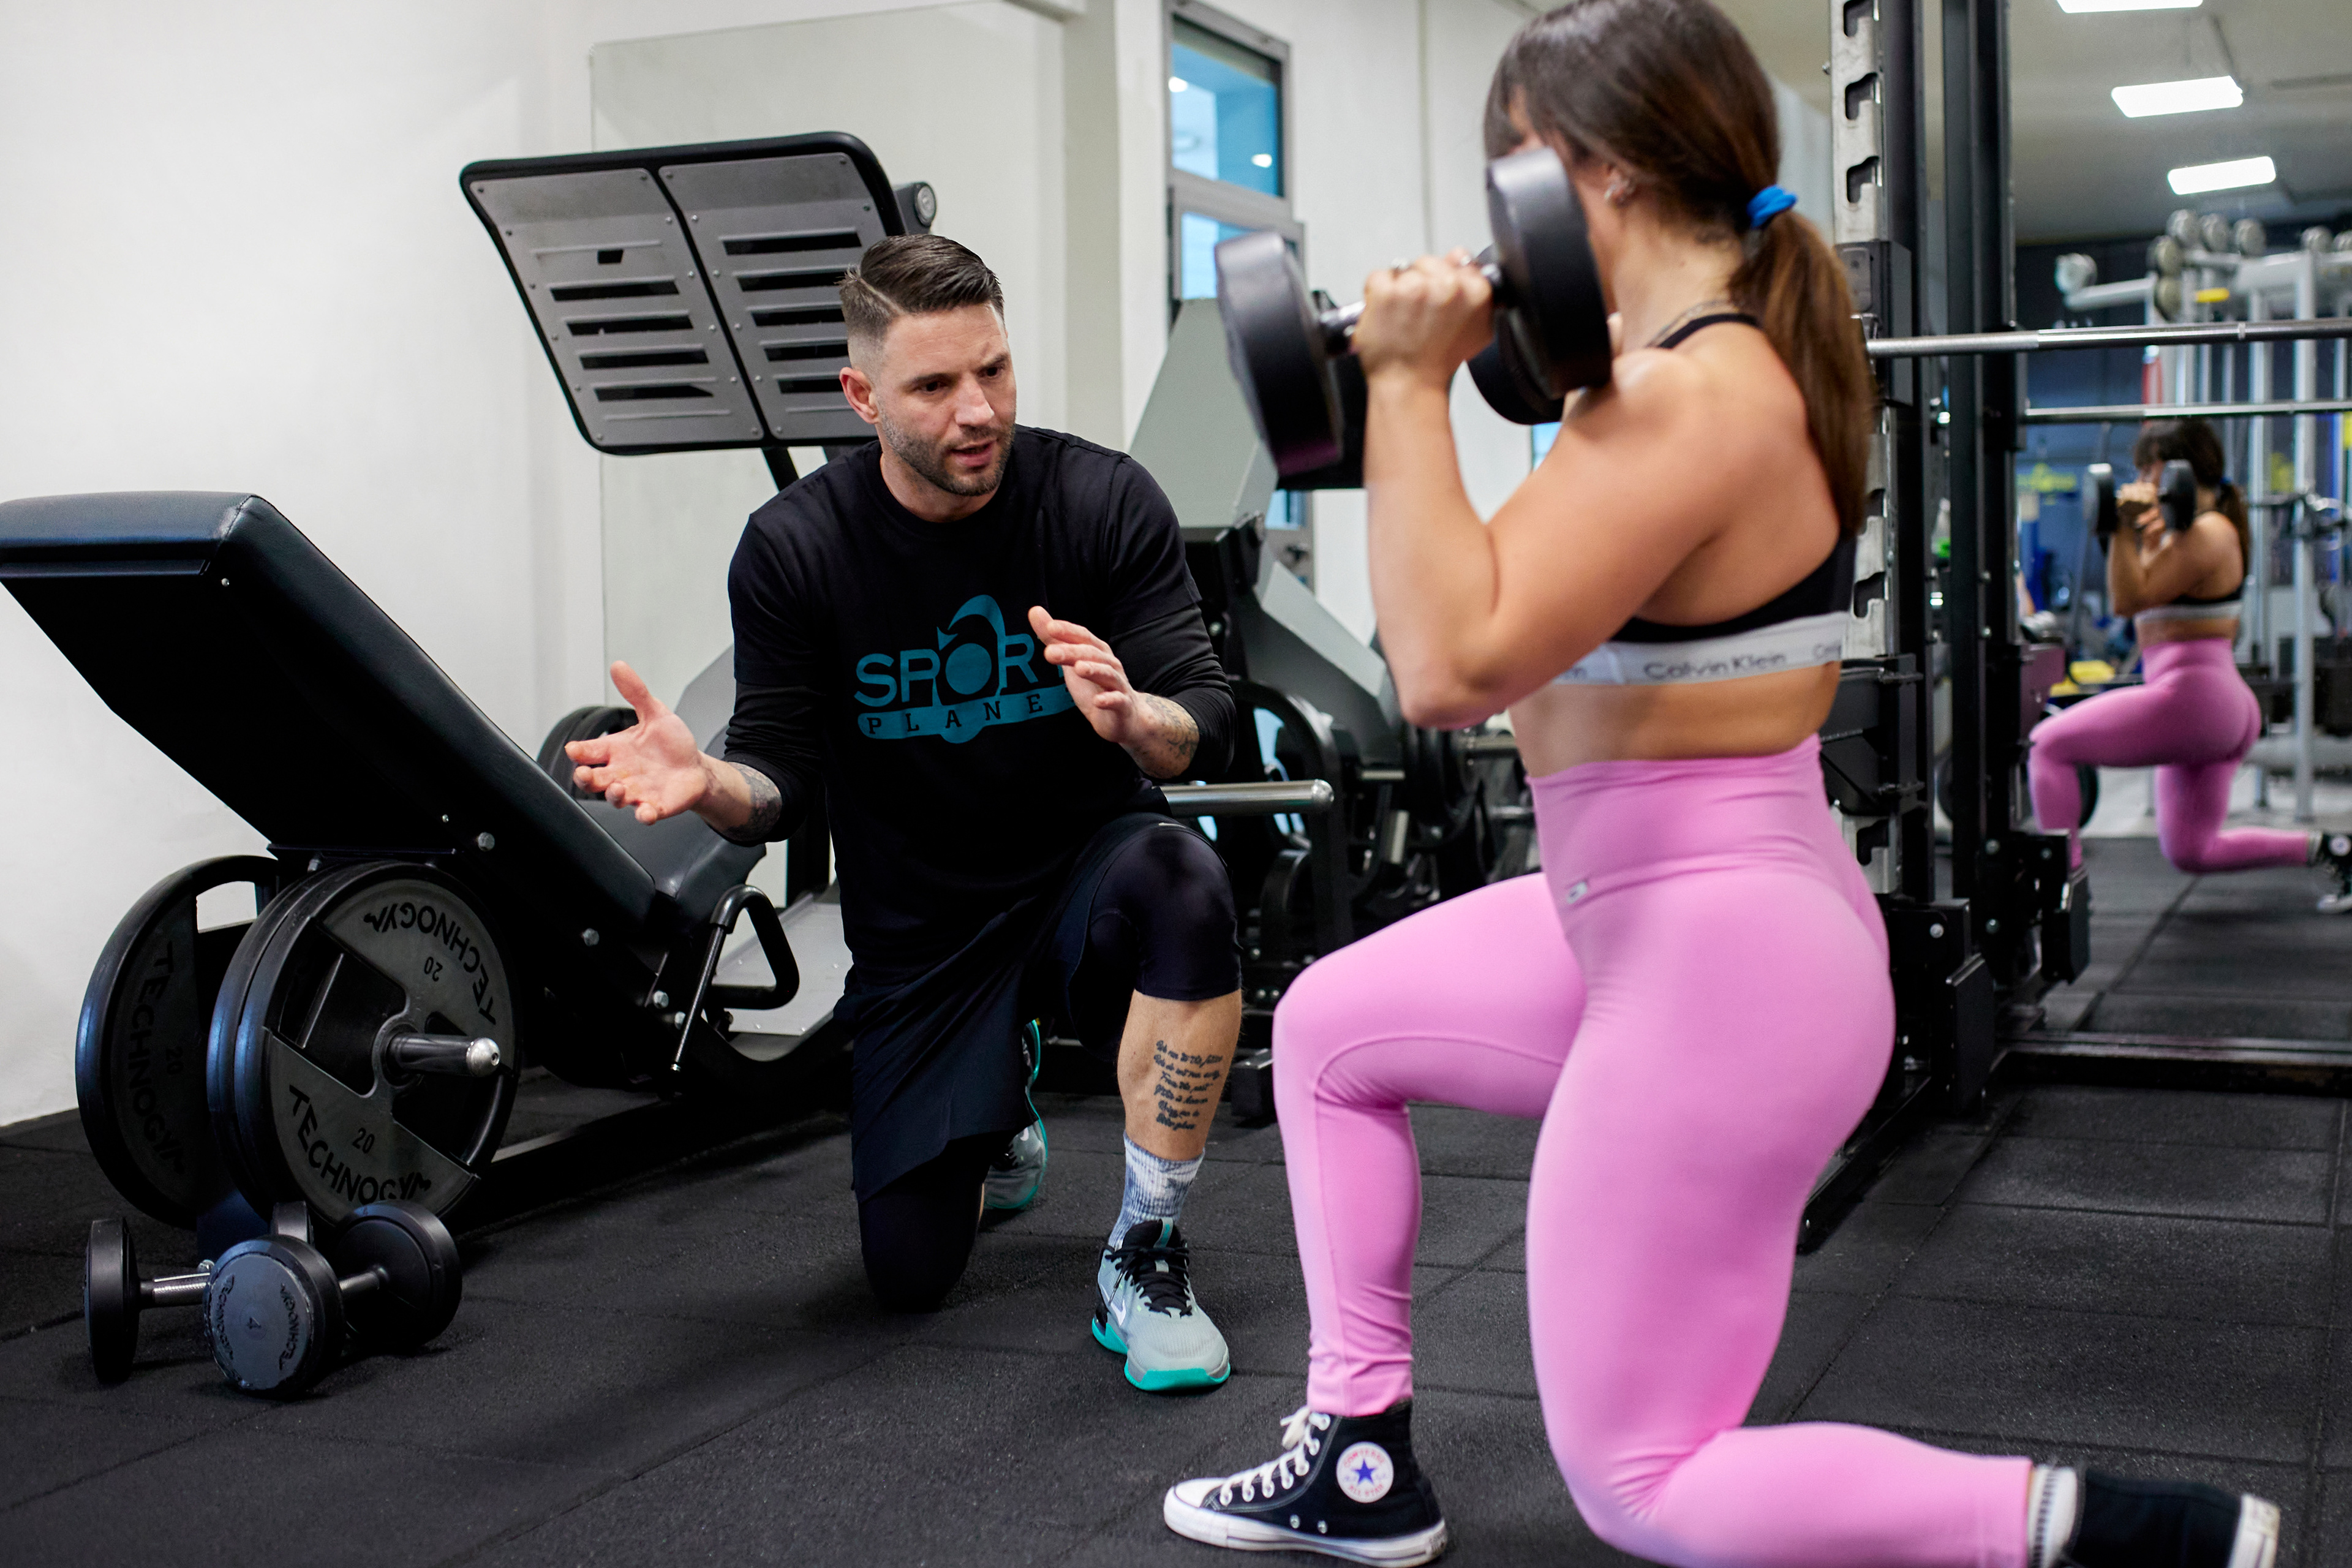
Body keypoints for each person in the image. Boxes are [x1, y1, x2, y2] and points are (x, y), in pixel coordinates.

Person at [1159, 3, 2282, 1564]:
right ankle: (1357, 1453)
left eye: (1507, 181)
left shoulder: (1695, 391)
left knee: (1643, 1480)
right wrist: (1410, 393)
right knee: (1337, 1027)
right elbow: (1497, 595)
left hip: (1718, 966)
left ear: (1590, 173)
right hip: (1653, 920)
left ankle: (2127, 1531)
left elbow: (1445, 663)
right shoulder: (1682, 373)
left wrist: (1408, 385)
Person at [568, 234, 1244, 1392]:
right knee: (909, 1275)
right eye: (935, 385)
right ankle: (996, 1103)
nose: (978, 410)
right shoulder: (797, 547)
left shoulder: (1100, 499)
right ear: (862, 396)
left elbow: (1208, 715)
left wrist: (1141, 722)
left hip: (1089, 874)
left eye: (995, 370)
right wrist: (711, 784)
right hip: (924, 929)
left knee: (1186, 882)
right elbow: (779, 780)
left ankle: (1145, 1250)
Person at [2029, 417, 2352, 908]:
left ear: (2177, 468)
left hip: (2194, 700)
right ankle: (2333, 849)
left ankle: (2061, 893)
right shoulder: (2181, 531)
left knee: (2048, 745)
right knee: (2192, 850)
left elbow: (2127, 600)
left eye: (2148, 469)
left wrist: (2123, 528)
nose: (2140, 481)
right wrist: (2135, 531)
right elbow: (2136, 585)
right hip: (2204, 703)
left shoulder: (2209, 531)